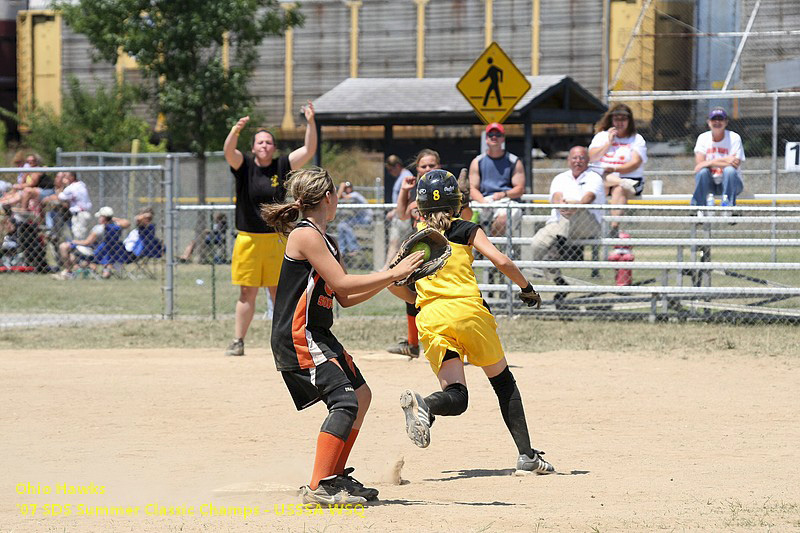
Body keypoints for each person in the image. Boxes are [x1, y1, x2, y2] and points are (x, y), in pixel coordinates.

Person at [260, 167, 423, 505]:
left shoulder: (327, 240)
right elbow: (345, 284)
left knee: (361, 396)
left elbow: (345, 296)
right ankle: (320, 485)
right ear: (329, 198)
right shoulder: (304, 235)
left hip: (318, 331)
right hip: (299, 334)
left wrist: (385, 278)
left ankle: (334, 476)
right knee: (345, 401)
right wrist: (393, 273)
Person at [387, 169, 554, 475]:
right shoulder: (466, 229)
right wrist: (527, 289)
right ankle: (528, 457)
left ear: (421, 207)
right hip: (469, 312)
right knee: (503, 383)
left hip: (431, 318)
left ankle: (426, 404)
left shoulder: (417, 239)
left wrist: (421, 300)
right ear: (456, 203)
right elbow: (500, 260)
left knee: (457, 396)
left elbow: (391, 282)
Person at [222, 101, 317, 356]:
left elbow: (309, 149)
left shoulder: (282, 166)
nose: (264, 146)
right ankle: (238, 341)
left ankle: (283, 342)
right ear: (253, 147)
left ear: (274, 148)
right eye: (260, 142)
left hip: (276, 239)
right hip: (248, 240)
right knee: (247, 292)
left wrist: (310, 122)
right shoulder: (245, 167)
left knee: (279, 292)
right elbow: (228, 152)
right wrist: (236, 130)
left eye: (268, 142)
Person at [531, 146, 605, 300]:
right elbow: (556, 197)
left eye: (582, 158)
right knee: (537, 245)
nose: (578, 161)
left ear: (588, 160)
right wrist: (564, 206)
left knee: (574, 212)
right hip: (560, 222)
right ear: (568, 160)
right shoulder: (560, 178)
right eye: (574, 158)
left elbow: (588, 198)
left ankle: (558, 249)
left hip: (587, 224)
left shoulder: (594, 177)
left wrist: (573, 206)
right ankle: (560, 282)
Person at [387, 148, 441, 358]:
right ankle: (412, 343)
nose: (427, 169)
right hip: (419, 254)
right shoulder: (415, 198)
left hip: (440, 254)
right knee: (411, 295)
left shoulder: (445, 193)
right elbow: (401, 215)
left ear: (439, 167)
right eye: (423, 166)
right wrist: (404, 190)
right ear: (417, 169)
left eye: (432, 165)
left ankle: (444, 341)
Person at [588, 103, 647, 236]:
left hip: (631, 180)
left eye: (623, 119)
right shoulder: (601, 136)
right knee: (599, 182)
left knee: (619, 188)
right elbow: (591, 157)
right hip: (603, 178)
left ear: (629, 121)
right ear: (611, 120)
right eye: (616, 119)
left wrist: (614, 168)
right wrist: (608, 142)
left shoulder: (636, 139)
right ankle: (596, 226)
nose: (620, 122)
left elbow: (635, 163)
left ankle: (613, 227)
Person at [468, 122, 524, 237]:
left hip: (506, 200)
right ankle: (476, 249)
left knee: (504, 218)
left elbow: (520, 189)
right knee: (469, 214)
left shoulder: (514, 161)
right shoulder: (477, 161)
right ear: (486, 138)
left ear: (503, 138)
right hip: (484, 200)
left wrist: (503, 194)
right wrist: (483, 203)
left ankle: (493, 246)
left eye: (498, 134)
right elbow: (472, 188)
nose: (494, 137)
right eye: (490, 134)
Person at [55, 206, 130, 279]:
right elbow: (127, 223)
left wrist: (74, 242)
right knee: (71, 251)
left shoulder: (98, 228)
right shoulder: (116, 227)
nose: (99, 218)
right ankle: (74, 269)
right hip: (107, 253)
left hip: (94, 253)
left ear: (103, 217)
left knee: (64, 246)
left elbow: (87, 243)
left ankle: (69, 271)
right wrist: (112, 219)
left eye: (100, 216)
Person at [691, 106, 745, 207]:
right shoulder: (703, 138)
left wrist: (709, 162)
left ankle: (728, 208)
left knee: (729, 171)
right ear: (708, 122)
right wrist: (726, 160)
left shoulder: (734, 137)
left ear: (726, 122)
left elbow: (735, 164)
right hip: (710, 183)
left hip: (733, 184)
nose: (717, 122)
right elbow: (699, 164)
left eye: (720, 119)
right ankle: (697, 209)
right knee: (702, 172)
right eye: (713, 119)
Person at [383, 155, 415, 269]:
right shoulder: (402, 176)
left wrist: (395, 211)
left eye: (391, 169)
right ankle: (388, 267)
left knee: (398, 244)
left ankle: (389, 268)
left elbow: (408, 198)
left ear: (397, 166)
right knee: (394, 243)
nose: (390, 172)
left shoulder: (406, 176)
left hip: (403, 217)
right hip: (399, 215)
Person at [335, 181, 371, 260]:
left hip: (366, 218)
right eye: (346, 188)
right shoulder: (349, 195)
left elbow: (338, 197)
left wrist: (341, 187)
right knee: (341, 225)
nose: (347, 189)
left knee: (344, 225)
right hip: (359, 218)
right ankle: (342, 250)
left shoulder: (355, 194)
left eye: (349, 187)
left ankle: (354, 248)